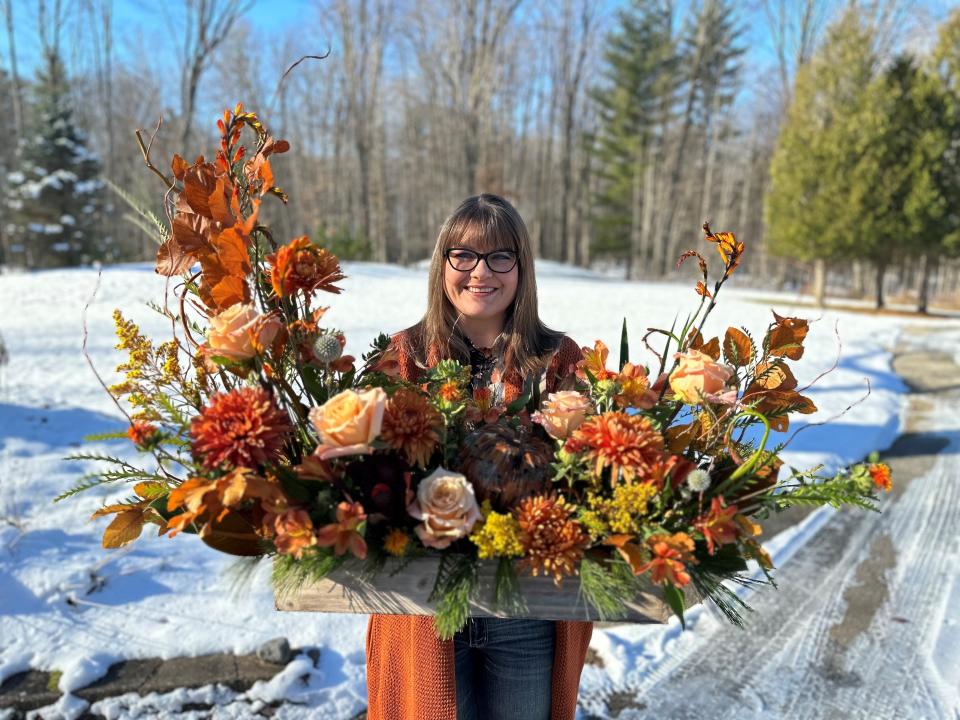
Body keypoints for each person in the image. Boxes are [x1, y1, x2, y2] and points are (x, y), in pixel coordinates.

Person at [365, 193, 593, 720]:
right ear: (443, 263)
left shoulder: (558, 359)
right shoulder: (403, 356)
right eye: (463, 255)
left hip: (528, 610)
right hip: (423, 606)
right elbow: (362, 472)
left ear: (521, 267)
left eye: (499, 257)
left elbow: (589, 470)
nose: (480, 272)